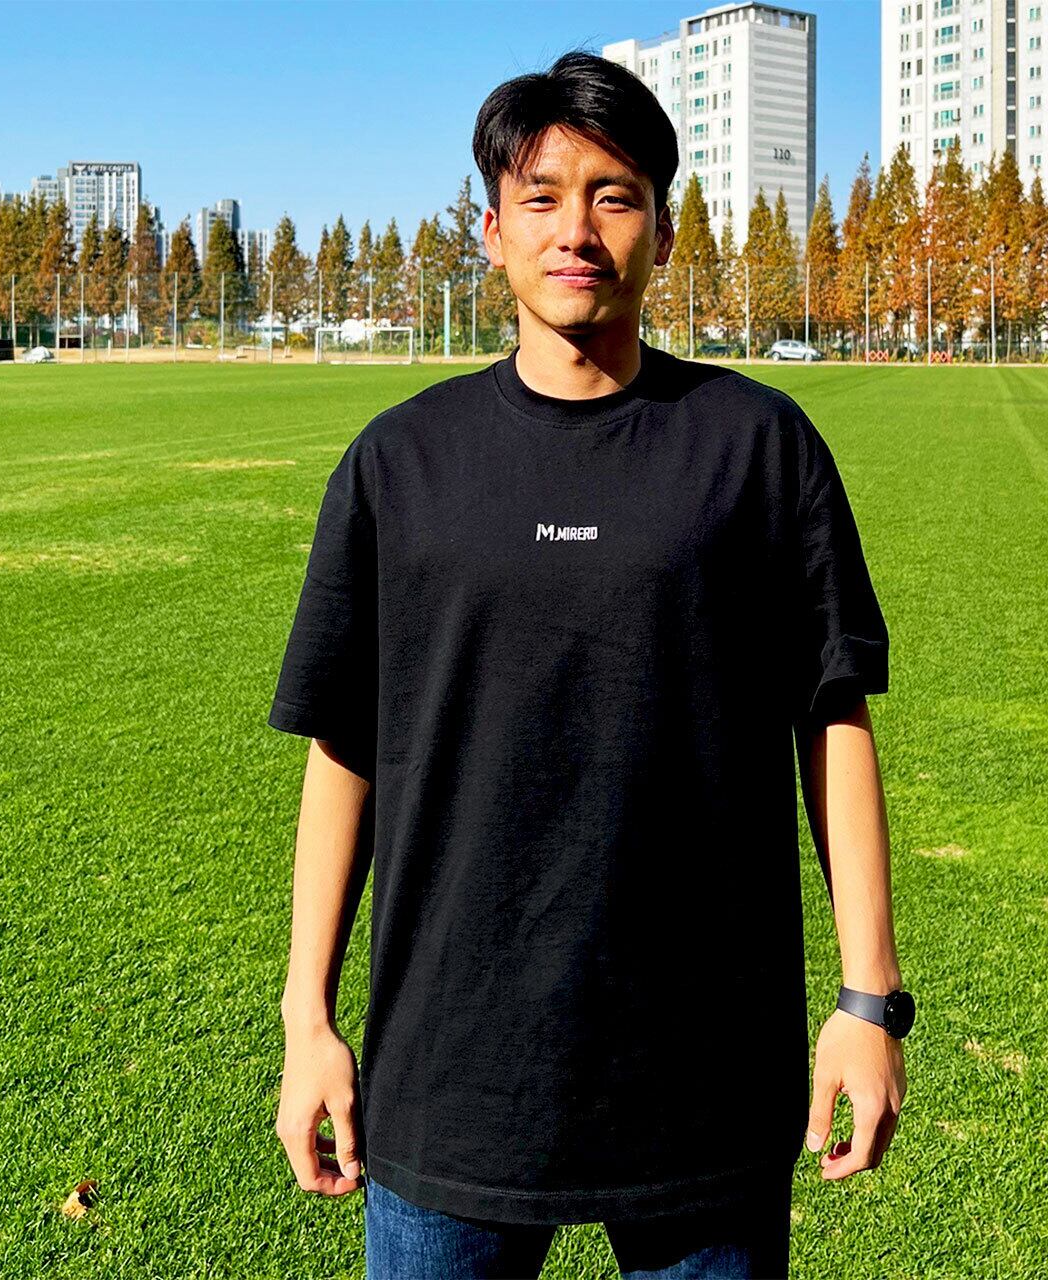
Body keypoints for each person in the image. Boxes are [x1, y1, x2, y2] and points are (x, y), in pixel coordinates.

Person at [268, 48, 912, 1280]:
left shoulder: (757, 447)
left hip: (701, 1077)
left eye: (614, 196)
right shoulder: (399, 463)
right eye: (542, 197)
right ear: (491, 232)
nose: (577, 229)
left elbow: (830, 714)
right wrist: (309, 1020)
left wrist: (866, 998)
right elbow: (342, 744)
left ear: (661, 231)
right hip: (449, 1077)